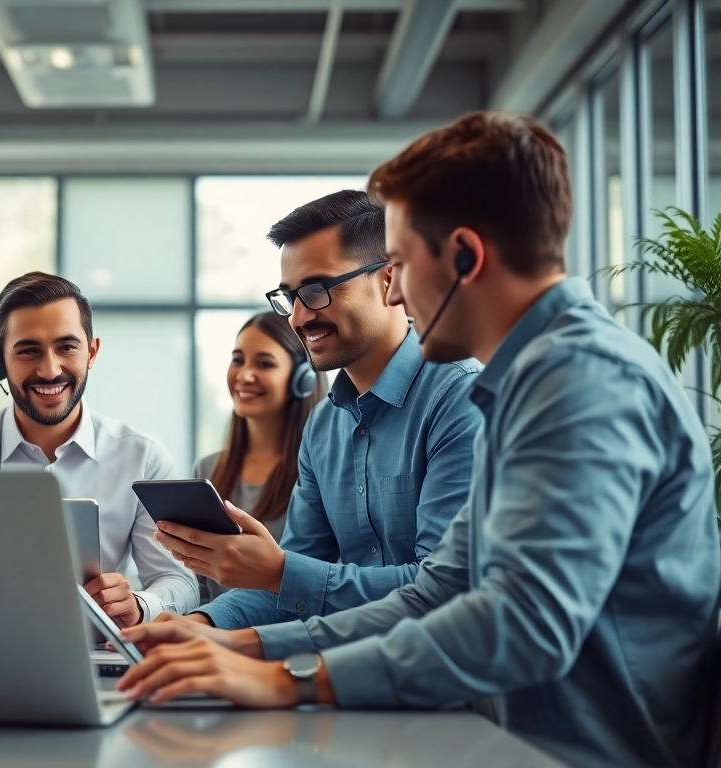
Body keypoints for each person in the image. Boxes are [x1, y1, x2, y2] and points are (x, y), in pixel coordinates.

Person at [117, 111, 721, 768]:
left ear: (463, 256)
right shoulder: (523, 385)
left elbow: (523, 621)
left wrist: (288, 679)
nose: (398, 287)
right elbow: (436, 593)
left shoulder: (577, 381)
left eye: (401, 263)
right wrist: (248, 648)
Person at [158, 190, 481, 627]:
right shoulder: (324, 426)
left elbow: (443, 590)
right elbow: (289, 590)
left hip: (438, 683)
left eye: (316, 290)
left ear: (389, 281)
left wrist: (277, 573)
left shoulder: (460, 397)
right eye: (290, 296)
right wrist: (197, 626)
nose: (297, 318)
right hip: (339, 673)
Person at [0, 272, 198, 625]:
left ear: (92, 352)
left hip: (96, 660)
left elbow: (181, 581)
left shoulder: (143, 457)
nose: (49, 370)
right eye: (28, 350)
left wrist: (140, 604)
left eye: (66, 347)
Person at [191, 311, 326, 603]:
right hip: (211, 634)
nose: (244, 375)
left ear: (302, 378)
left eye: (264, 363)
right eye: (238, 359)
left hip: (286, 638)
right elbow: (197, 583)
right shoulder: (208, 469)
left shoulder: (320, 470)